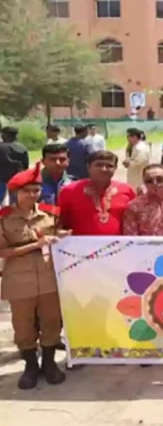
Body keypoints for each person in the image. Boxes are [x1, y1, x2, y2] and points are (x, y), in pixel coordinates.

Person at [0, 164, 69, 390]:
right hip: (19, 281)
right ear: (15, 193)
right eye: (26, 190)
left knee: (51, 323)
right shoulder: (4, 218)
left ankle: (49, 364)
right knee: (23, 326)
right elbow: (3, 252)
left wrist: (61, 236)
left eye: (36, 190)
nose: (31, 195)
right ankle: (30, 366)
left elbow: (56, 238)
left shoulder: (51, 213)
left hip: (49, 278)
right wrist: (35, 245)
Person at [58, 151, 136, 235]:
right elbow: (55, 217)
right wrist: (57, 231)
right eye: (99, 165)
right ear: (88, 167)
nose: (104, 169)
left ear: (115, 168)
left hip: (119, 246)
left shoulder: (127, 190)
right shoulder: (69, 191)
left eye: (109, 166)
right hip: (80, 246)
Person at [123, 165, 163, 236]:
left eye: (160, 179)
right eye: (149, 181)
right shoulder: (134, 206)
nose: (155, 183)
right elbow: (130, 236)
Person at [0, 126, 29, 203]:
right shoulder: (22, 148)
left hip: (1, 180)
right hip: (17, 181)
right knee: (15, 203)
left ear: (4, 135)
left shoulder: (1, 147)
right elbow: (26, 166)